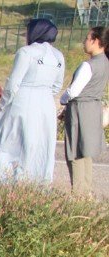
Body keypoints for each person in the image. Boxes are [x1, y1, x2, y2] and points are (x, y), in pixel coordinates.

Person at [0, 18, 64, 186]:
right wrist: (44, 93)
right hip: (46, 104)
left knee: (11, 143)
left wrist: (3, 105)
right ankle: (34, 183)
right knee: (39, 144)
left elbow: (13, 83)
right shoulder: (58, 56)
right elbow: (57, 85)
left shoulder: (26, 52)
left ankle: (4, 182)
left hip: (23, 101)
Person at [60, 26, 107, 194]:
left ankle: (79, 193)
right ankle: (86, 191)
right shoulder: (105, 62)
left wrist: (62, 100)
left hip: (80, 109)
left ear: (96, 41)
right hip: (93, 109)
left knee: (75, 152)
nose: (84, 42)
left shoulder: (88, 65)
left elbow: (73, 91)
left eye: (87, 38)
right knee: (86, 151)